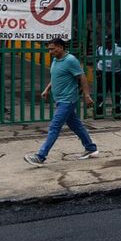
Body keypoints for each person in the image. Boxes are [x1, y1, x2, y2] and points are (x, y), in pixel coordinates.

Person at [23, 38, 99, 166]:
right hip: (59, 99)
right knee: (76, 125)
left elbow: (82, 76)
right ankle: (91, 148)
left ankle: (40, 156)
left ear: (61, 47)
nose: (50, 51)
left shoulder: (70, 60)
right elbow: (56, 77)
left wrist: (86, 95)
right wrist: (47, 89)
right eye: (49, 49)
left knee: (54, 126)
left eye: (52, 49)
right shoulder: (55, 60)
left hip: (68, 100)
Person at [94, 36, 121, 119]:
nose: (107, 44)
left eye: (109, 42)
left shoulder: (119, 49)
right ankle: (99, 112)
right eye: (106, 42)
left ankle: (117, 111)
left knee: (116, 93)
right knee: (101, 93)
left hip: (115, 73)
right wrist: (98, 70)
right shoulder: (100, 48)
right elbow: (97, 59)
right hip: (103, 73)